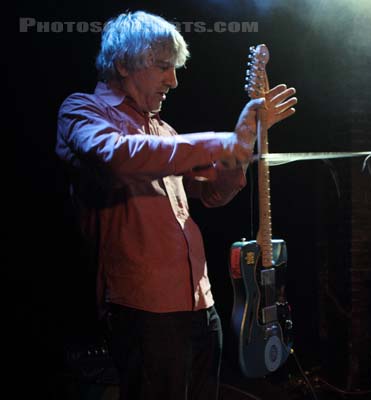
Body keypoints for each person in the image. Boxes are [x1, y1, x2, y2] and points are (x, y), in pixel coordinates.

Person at [55, 11, 297, 400]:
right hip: (144, 310)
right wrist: (222, 141)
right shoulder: (82, 111)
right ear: (123, 64)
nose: (174, 80)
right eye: (164, 67)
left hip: (202, 306)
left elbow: (212, 193)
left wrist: (247, 139)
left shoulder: (164, 130)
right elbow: (118, 156)